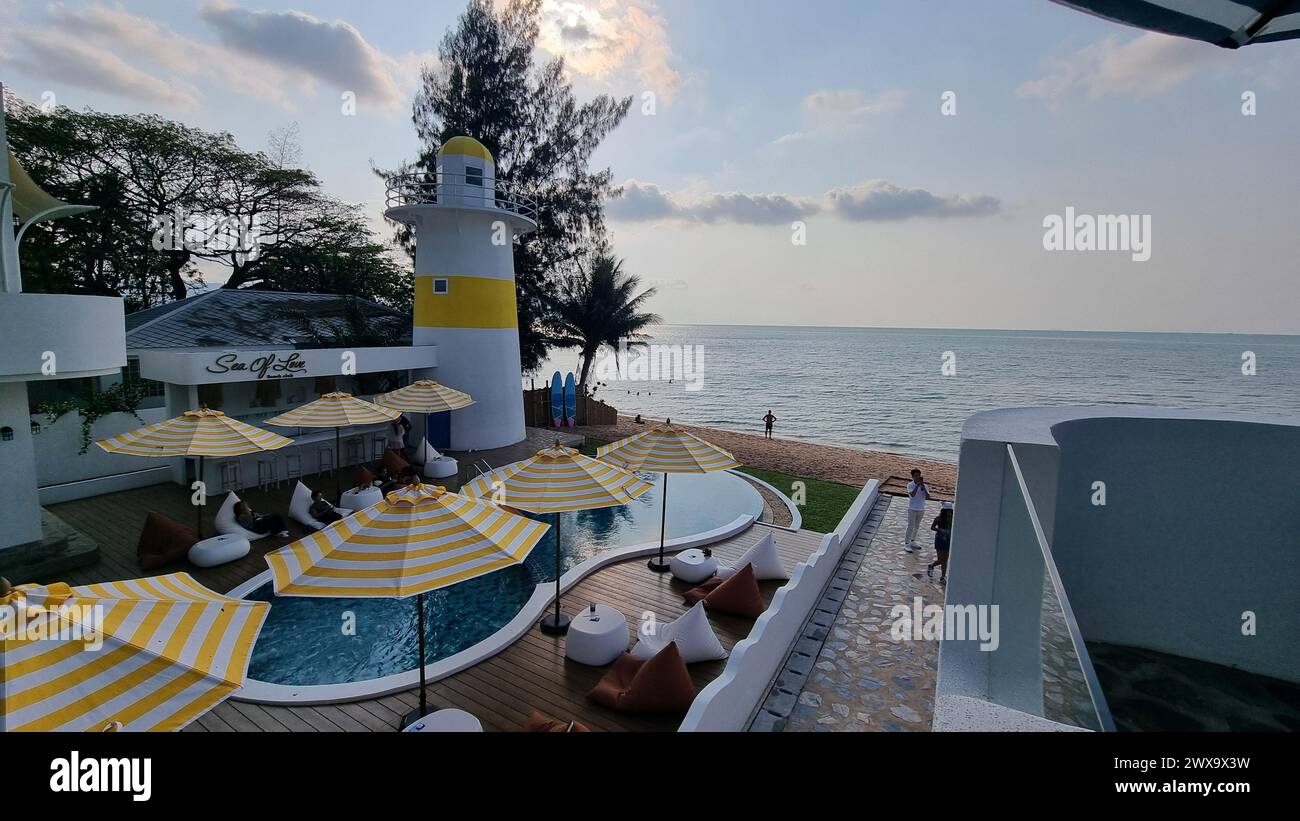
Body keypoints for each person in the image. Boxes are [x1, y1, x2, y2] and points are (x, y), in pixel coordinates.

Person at [904, 468, 932, 553]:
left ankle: (913, 541)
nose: (917, 477)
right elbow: (912, 494)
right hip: (912, 508)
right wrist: (917, 485)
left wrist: (922, 486)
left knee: (916, 526)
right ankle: (907, 543)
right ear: (912, 476)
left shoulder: (925, 486)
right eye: (915, 476)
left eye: (918, 475)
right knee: (910, 526)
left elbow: (928, 497)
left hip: (921, 508)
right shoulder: (910, 485)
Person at [928, 502, 953, 582]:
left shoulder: (952, 519)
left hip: (948, 540)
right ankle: (931, 565)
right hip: (940, 540)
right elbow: (932, 527)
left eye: (950, 511)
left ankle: (943, 576)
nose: (949, 512)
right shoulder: (938, 518)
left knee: (945, 560)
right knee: (941, 559)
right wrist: (940, 530)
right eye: (948, 511)